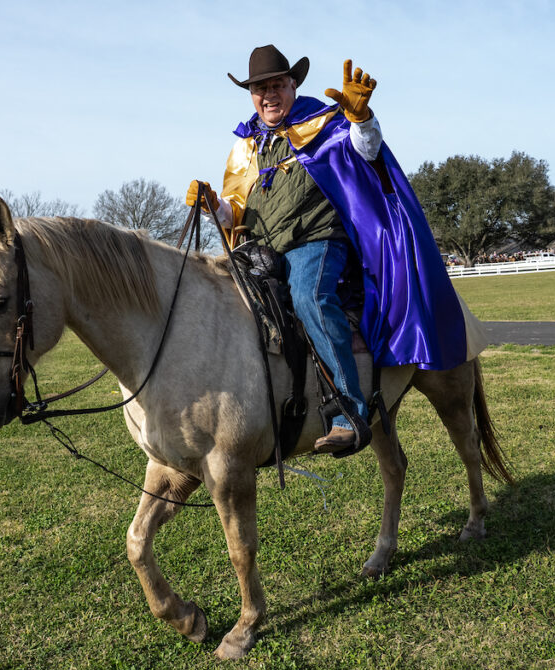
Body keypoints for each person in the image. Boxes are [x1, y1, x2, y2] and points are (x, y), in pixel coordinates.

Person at [187, 45, 474, 453]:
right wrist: (212, 204)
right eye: (259, 89)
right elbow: (234, 215)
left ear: (292, 85)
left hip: (316, 241)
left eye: (276, 85)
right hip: (262, 252)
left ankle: (349, 410)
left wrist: (362, 118)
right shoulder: (245, 147)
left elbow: (367, 151)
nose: (268, 94)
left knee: (310, 297)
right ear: (251, 95)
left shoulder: (323, 122)